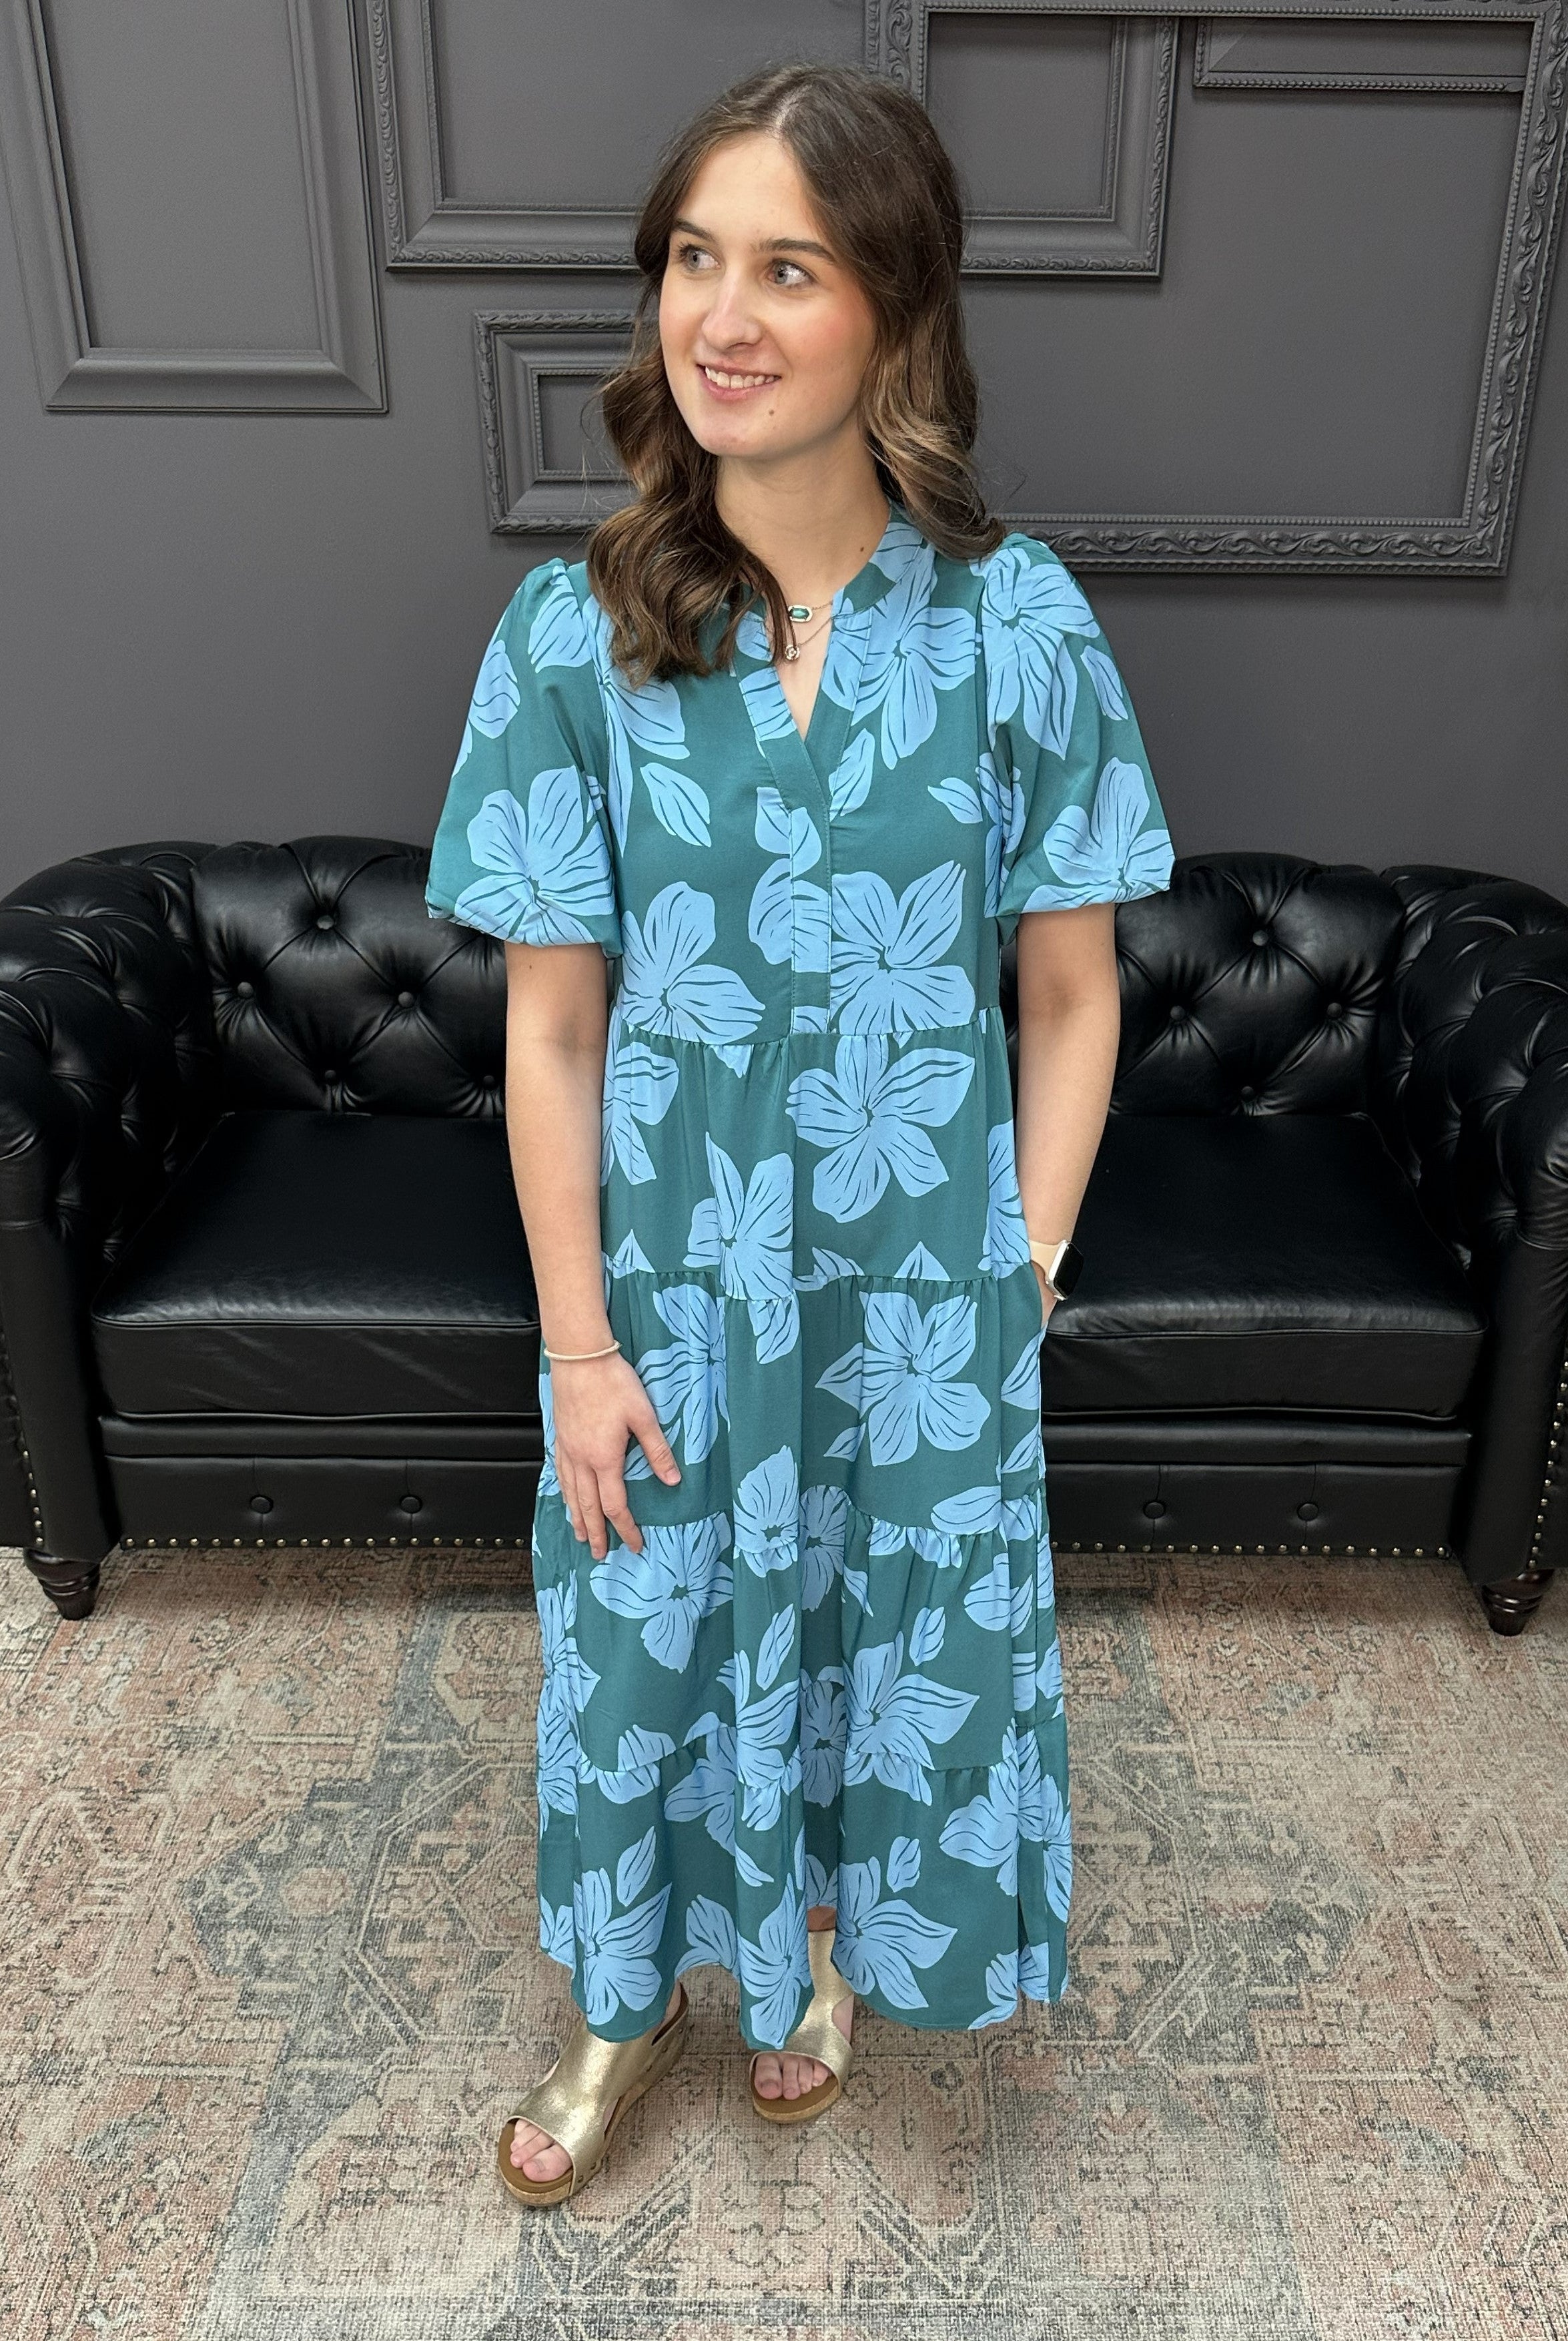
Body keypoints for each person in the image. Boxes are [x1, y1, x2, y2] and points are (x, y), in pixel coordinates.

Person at [425, 61, 1174, 2208]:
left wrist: (1015, 1274)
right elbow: (549, 1035)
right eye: (689, 259)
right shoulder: (579, 635)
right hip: (662, 1289)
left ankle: (814, 1955)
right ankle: (615, 2000)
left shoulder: (1018, 626)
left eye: (787, 266)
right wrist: (576, 1339)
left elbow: (1070, 989)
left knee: (872, 1648)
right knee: (639, 1659)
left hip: (918, 1293)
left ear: (898, 315)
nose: (718, 316)